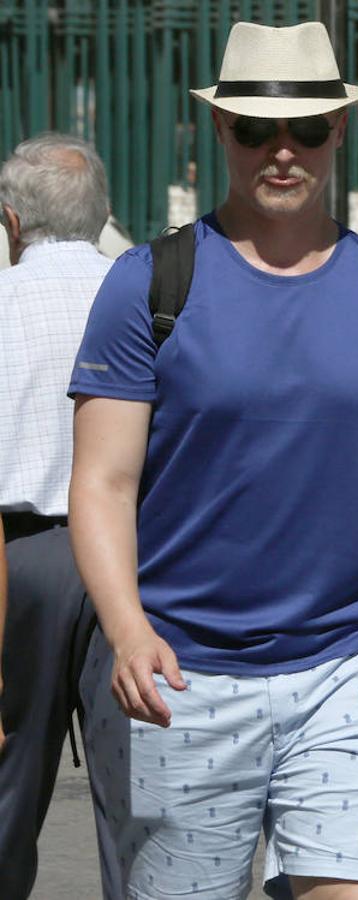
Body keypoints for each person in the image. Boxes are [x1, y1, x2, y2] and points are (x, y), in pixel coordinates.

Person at [66, 21, 358, 899]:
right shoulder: (150, 285)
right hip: (180, 679)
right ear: (221, 130)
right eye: (256, 129)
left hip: (350, 670)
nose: (282, 151)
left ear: (339, 131)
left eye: (305, 129)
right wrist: (125, 629)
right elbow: (102, 482)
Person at [0, 132, 118, 898]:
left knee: (8, 787)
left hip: (18, 563)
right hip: (133, 560)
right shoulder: (143, 296)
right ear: (103, 212)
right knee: (139, 797)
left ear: (11, 219)